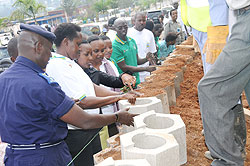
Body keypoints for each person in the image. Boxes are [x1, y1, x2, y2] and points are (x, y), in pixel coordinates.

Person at [0, 23, 136, 166]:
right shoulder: (41, 83)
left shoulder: (3, 79)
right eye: (48, 50)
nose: (49, 56)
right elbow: (85, 121)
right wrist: (117, 117)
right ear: (39, 47)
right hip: (45, 156)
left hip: (15, 156)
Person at [45, 23, 137, 166]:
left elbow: (91, 87)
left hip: (88, 128)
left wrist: (120, 95)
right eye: (77, 44)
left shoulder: (69, 62)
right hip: (78, 133)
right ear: (65, 42)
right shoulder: (57, 66)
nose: (79, 48)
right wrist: (117, 97)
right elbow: (83, 101)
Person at [197, 1, 250, 165]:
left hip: (245, 21)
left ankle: (227, 161)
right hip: (240, 18)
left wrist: (220, 25)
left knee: (212, 90)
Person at [112, 18, 156, 87]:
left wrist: (146, 59)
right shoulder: (115, 46)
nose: (123, 29)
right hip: (126, 84)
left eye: (125, 27)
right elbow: (124, 67)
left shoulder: (131, 41)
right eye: (120, 28)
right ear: (115, 29)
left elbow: (137, 61)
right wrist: (146, 69)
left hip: (136, 81)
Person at [127, 12, 157, 82]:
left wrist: (154, 67)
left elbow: (152, 53)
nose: (142, 22)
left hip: (146, 72)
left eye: (143, 20)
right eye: (139, 20)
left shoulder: (149, 34)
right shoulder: (128, 34)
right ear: (134, 21)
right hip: (132, 73)